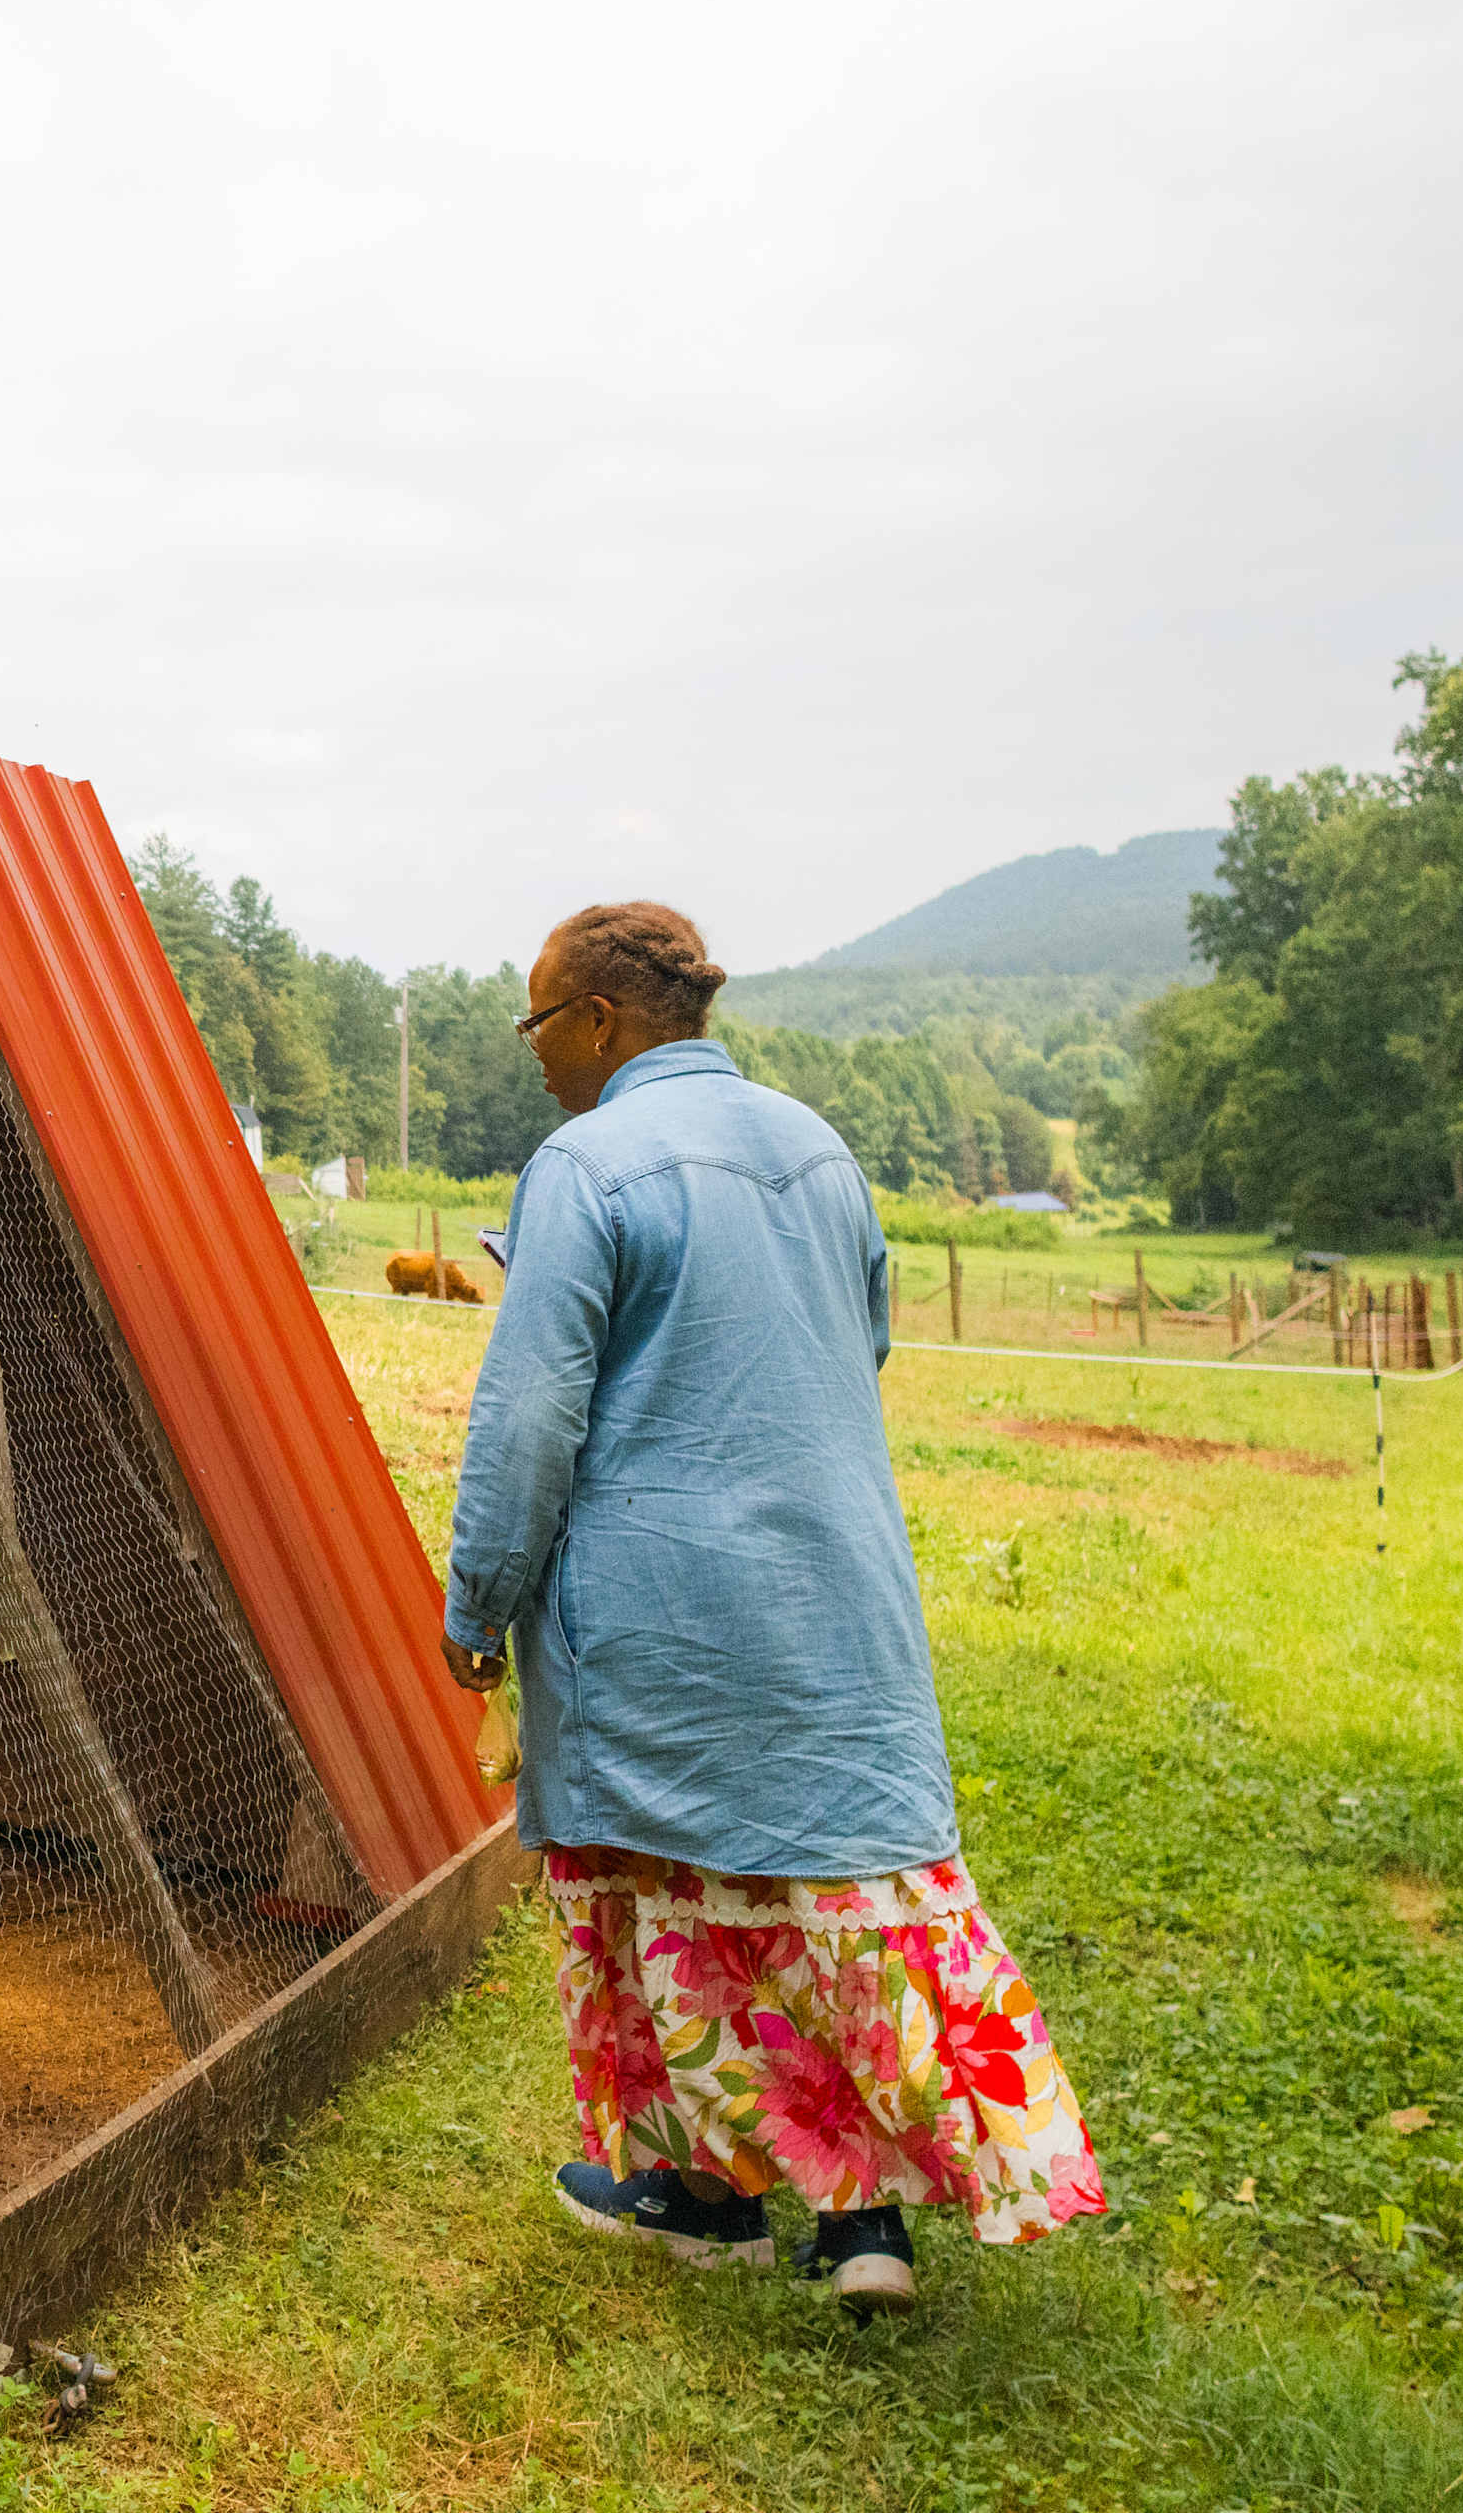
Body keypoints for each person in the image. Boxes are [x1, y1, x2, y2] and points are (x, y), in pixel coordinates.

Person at [441, 902, 1104, 2312]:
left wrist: (479, 1604)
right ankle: (866, 2230)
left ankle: (700, 2196)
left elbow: (531, 1417)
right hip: (833, 1593)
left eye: (540, 1023)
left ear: (603, 1023)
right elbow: (855, 1343)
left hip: (658, 1607)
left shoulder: (584, 1162)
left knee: (678, 1894)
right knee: (837, 1888)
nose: (538, 1055)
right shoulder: (818, 1148)